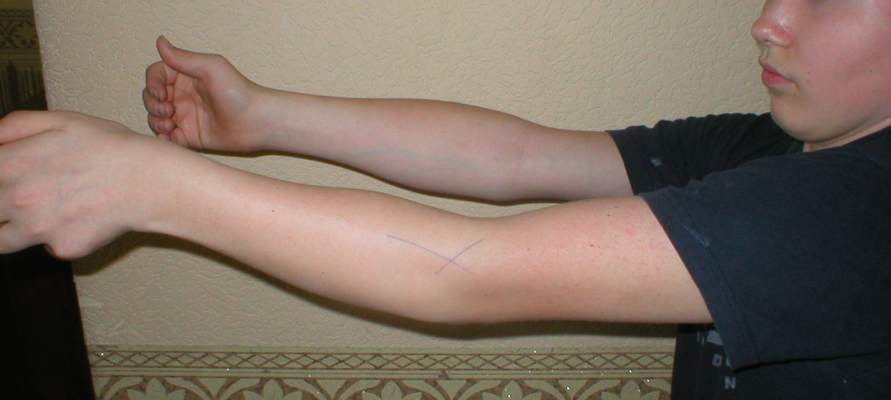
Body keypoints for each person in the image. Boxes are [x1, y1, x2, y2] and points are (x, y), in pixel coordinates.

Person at [0, 0, 888, 397]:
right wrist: (265, 116)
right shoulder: (770, 145)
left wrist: (149, 187)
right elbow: (517, 157)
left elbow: (465, 272)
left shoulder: (861, 209)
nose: (768, 19)